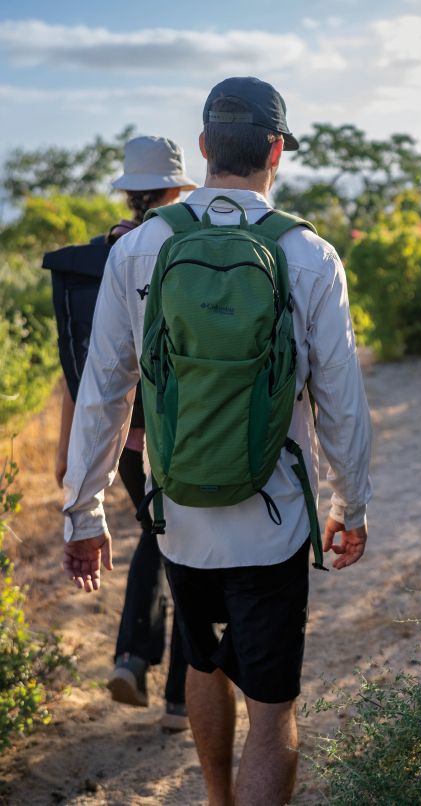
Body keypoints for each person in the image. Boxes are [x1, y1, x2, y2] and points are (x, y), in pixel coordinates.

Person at [61, 77, 373, 805]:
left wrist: (84, 512)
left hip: (179, 514)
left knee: (201, 664)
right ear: (275, 150)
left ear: (203, 149)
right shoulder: (309, 253)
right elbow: (342, 405)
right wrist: (350, 507)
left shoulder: (139, 248)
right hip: (275, 520)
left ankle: (215, 798)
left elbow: (105, 389)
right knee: (274, 714)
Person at [47, 135, 195, 731]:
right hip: (179, 431)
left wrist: (69, 452)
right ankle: (181, 697)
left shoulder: (96, 258)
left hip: (117, 440)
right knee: (186, 546)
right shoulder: (179, 247)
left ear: (130, 192)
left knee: (154, 534)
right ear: (175, 189)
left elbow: (76, 366)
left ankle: (132, 658)